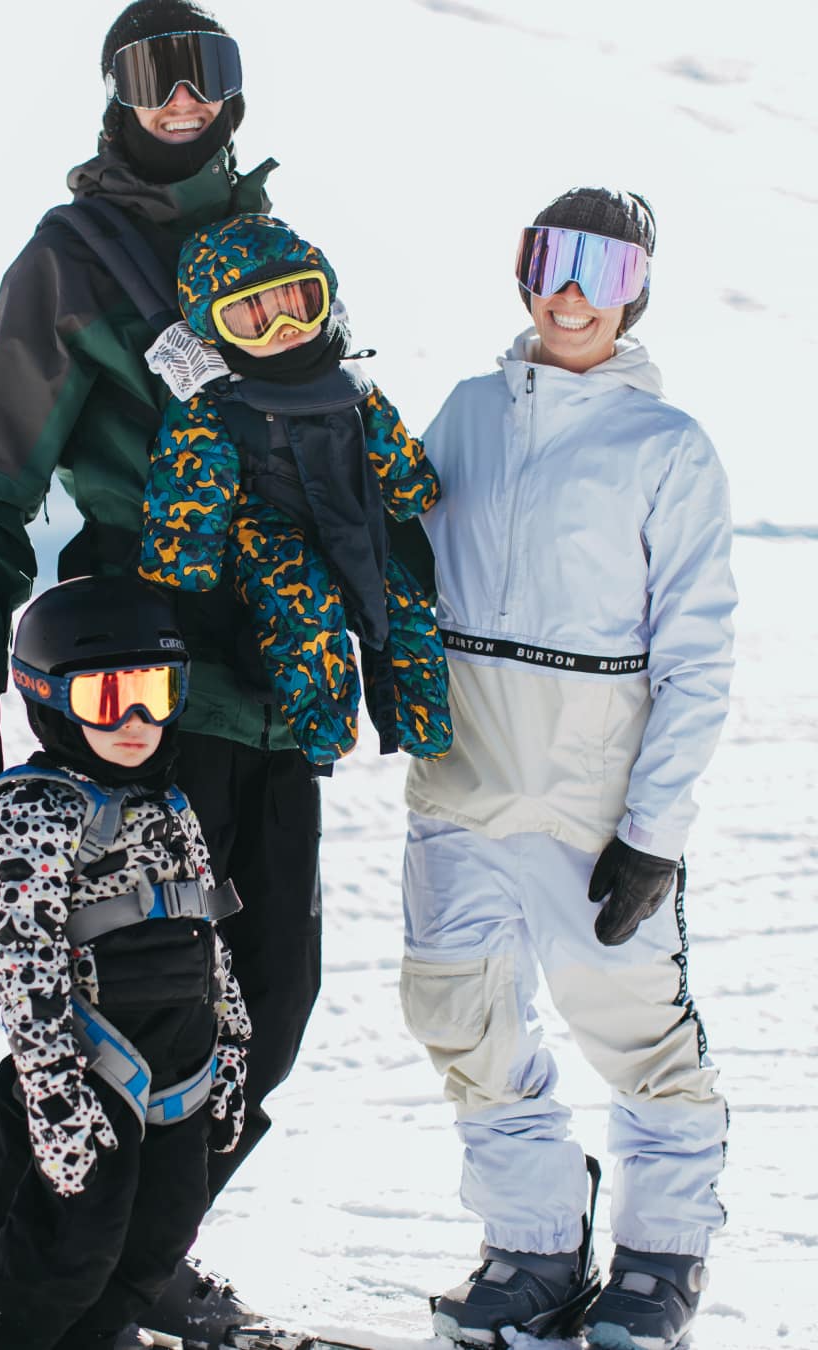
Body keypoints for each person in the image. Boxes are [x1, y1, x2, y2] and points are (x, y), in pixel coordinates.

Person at [0, 4, 320, 1342]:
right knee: (125, 984)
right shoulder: (73, 263)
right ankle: (18, 1241)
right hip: (138, 677)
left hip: (274, 674)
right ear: (115, 91)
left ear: (235, 98)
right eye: (154, 72)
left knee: (271, 993)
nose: (181, 97)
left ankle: (141, 1247)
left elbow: (336, 447)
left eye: (205, 73)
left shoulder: (274, 255)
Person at [399, 188, 736, 1350]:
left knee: (634, 1030)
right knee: (459, 1016)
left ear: (637, 286)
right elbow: (397, 560)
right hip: (459, 781)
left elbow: (696, 658)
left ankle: (660, 1259)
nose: (576, 290)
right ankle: (533, 1247)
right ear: (525, 270)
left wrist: (655, 830)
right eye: (554, 259)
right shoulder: (467, 412)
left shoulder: (666, 447)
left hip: (591, 803)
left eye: (605, 265)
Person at [0, 575, 250, 1350]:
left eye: (155, 691)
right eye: (107, 700)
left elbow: (207, 925)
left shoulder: (167, 800)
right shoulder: (34, 810)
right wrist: (52, 1098)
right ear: (48, 697)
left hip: (180, 1062)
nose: (138, 720)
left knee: (155, 1245)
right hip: (90, 1063)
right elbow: (25, 967)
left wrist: (234, 1042)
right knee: (72, 1246)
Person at [138, 212, 453, 768]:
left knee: (401, 602)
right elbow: (191, 483)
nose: (281, 329)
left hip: (351, 512)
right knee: (302, 601)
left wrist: (409, 486)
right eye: (252, 318)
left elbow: (392, 451)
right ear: (214, 330)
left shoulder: (353, 387)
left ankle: (420, 719)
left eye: (298, 304)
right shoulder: (213, 407)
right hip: (267, 526)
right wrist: (183, 566)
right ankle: (325, 725)